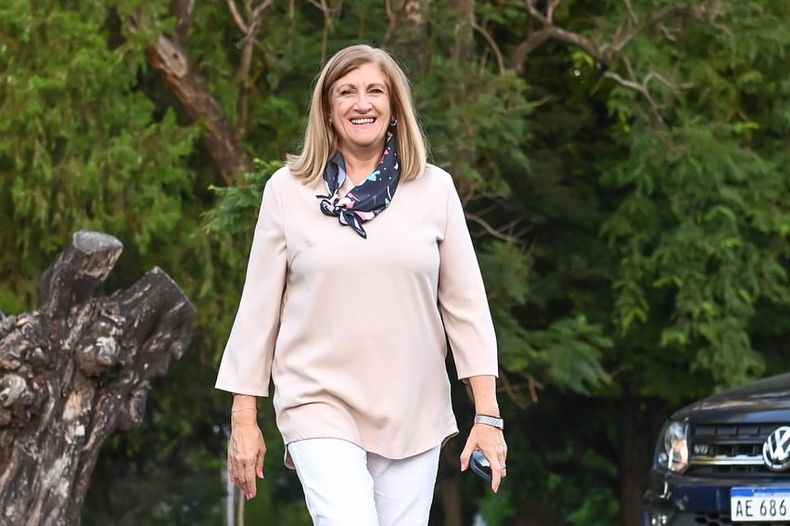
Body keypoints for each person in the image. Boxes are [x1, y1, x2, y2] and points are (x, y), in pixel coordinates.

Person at [215, 44, 507, 526]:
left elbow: (467, 308)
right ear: (328, 109)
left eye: (375, 91)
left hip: (413, 409)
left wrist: (487, 416)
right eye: (347, 92)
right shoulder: (288, 191)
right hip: (317, 400)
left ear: (394, 108)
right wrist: (244, 418)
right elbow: (257, 311)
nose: (362, 103)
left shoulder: (435, 189)